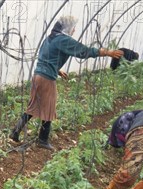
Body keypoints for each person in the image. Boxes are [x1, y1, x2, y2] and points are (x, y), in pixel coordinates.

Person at [9, 15, 123, 150]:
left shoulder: (50, 38)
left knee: (33, 106)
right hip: (46, 79)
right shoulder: (63, 39)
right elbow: (83, 51)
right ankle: (42, 140)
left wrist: (57, 70)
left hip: (38, 76)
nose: (74, 30)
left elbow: (46, 57)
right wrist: (107, 52)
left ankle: (15, 133)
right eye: (73, 28)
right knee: (49, 108)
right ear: (67, 28)